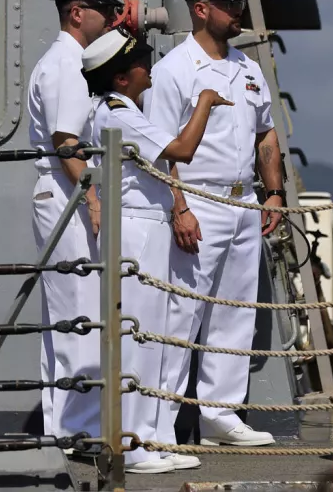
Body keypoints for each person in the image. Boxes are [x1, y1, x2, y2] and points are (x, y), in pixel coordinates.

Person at [144, 0, 286, 449]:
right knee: (181, 314)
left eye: (239, 1)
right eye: (229, 3)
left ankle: (219, 417)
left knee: (235, 311)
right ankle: (158, 424)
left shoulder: (246, 67)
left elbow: (266, 134)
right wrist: (178, 207)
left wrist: (274, 192)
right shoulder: (173, 71)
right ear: (201, 9)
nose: (238, 10)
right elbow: (160, 148)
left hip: (244, 201)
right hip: (198, 201)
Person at [80, 28, 233, 473]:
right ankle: (132, 447)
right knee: (140, 341)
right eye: (143, 63)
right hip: (137, 231)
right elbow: (181, 151)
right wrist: (204, 102)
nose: (150, 68)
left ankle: (144, 439)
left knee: (150, 339)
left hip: (147, 228)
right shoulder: (118, 115)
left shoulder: (121, 108)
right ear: (123, 77)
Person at [27, 0, 123, 441]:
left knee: (67, 319)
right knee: (78, 316)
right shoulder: (67, 63)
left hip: (65, 193)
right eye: (103, 10)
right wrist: (95, 201)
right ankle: (78, 431)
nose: (111, 17)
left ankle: (66, 427)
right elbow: (67, 141)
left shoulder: (69, 59)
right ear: (77, 12)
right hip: (67, 193)